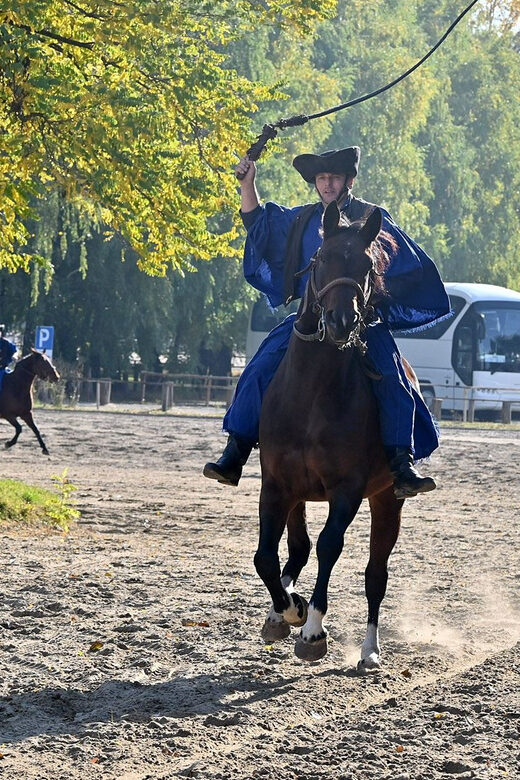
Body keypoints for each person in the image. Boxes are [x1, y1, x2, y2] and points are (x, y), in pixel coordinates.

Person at [203, 147, 451, 499]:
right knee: (258, 368)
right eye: (321, 178)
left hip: (362, 323)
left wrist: (374, 290)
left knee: (396, 380)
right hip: (308, 320)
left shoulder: (372, 219)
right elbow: (259, 223)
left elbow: (404, 264)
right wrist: (247, 184)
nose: (327, 184)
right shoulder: (301, 220)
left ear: (349, 180)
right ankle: (236, 450)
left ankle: (400, 463)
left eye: (334, 177)